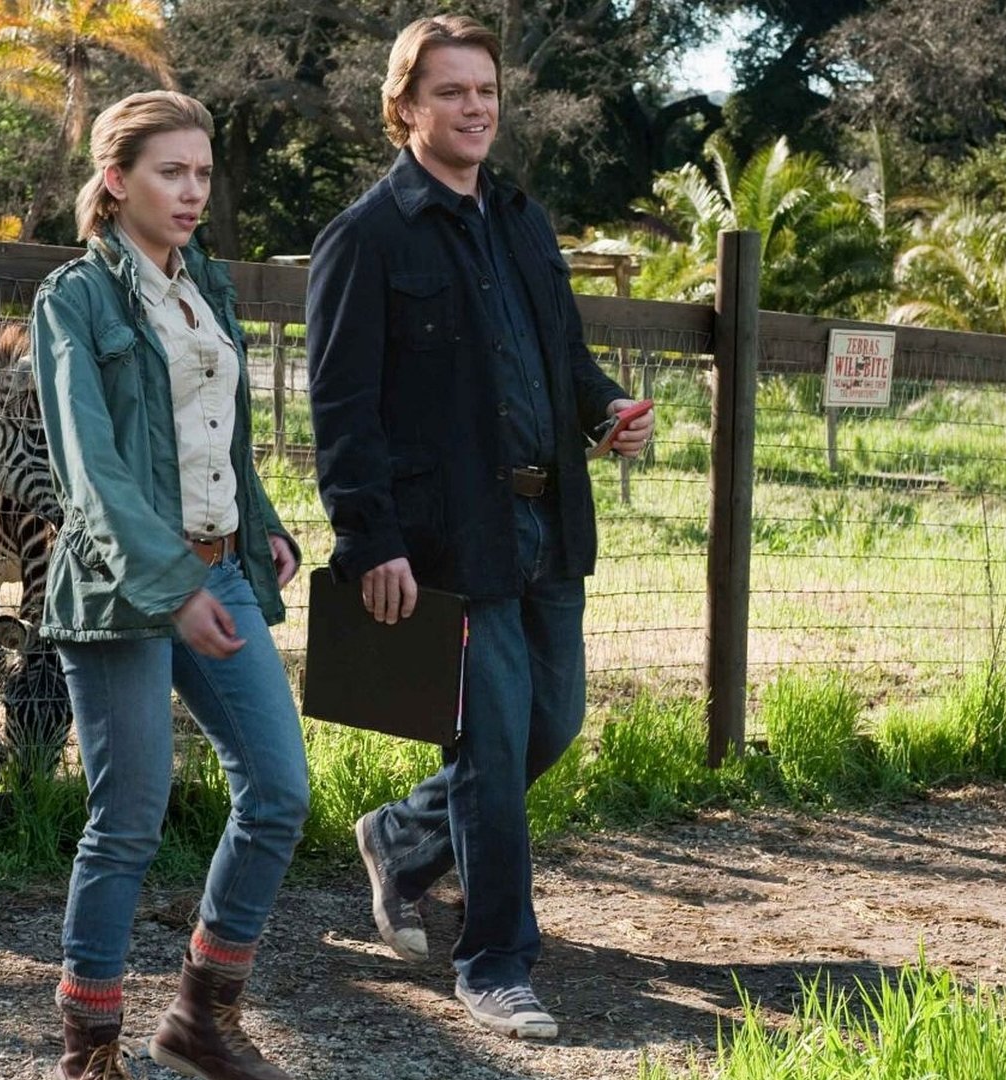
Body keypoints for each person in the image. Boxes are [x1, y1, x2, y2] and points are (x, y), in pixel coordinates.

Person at [304, 13, 655, 1041]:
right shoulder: (365, 238)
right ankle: (494, 962)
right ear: (405, 107)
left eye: (486, 91)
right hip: (449, 538)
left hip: (547, 525)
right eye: (451, 92)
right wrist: (369, 540)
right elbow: (341, 408)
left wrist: (602, 412)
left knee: (556, 722)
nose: (474, 108)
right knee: (496, 751)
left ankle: (406, 838)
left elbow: (563, 354)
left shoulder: (520, 219)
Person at [32, 89, 307, 1080]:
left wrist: (262, 530)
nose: (193, 192)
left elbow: (221, 434)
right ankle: (90, 1049)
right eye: (170, 173)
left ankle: (201, 1013)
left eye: (201, 173)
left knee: (278, 790)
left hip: (219, 568)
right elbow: (91, 471)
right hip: (120, 587)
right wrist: (167, 588)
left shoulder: (208, 288)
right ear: (116, 182)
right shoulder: (76, 299)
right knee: (131, 817)